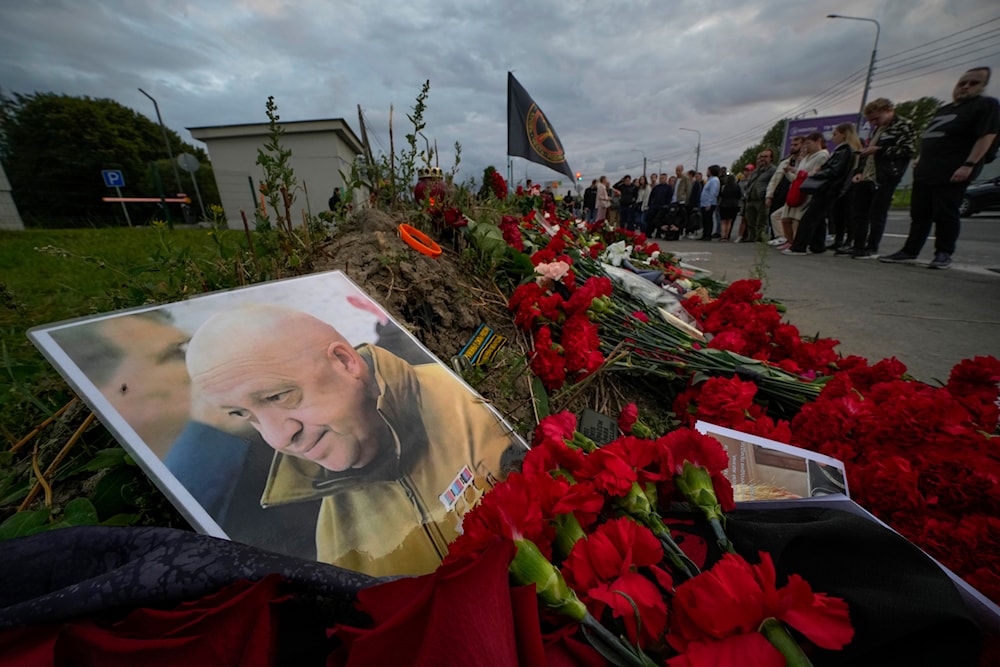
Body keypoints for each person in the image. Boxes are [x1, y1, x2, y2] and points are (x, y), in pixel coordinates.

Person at [186, 304, 525, 577]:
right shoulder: (332, 544)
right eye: (241, 414)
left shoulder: (465, 401)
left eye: (279, 396)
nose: (277, 438)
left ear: (346, 363)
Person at [881, 67, 1000, 270]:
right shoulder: (945, 109)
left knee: (946, 213)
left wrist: (969, 164)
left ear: (983, 86)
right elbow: (931, 136)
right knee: (919, 214)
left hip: (953, 170)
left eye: (973, 83)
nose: (966, 87)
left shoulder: (986, 105)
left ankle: (943, 253)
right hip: (927, 170)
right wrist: (920, 158)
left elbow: (986, 136)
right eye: (962, 83)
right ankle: (910, 250)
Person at [840, 98, 917, 259]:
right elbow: (868, 154)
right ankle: (858, 246)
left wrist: (880, 150)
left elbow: (908, 150)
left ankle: (871, 247)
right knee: (860, 212)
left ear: (888, 110)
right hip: (868, 174)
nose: (874, 123)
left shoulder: (903, 125)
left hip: (886, 175)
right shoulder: (879, 129)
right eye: (871, 120)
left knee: (877, 213)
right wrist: (860, 170)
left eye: (876, 118)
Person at [784, 123, 861, 256]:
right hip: (829, 188)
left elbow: (834, 171)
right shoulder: (842, 150)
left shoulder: (844, 151)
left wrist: (817, 172)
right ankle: (817, 245)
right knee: (818, 217)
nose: (832, 137)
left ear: (844, 134)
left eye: (835, 134)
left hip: (829, 188)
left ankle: (799, 247)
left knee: (810, 217)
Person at [766, 136, 805, 247]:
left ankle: (793, 242)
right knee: (776, 216)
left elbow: (800, 178)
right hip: (782, 194)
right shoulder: (785, 162)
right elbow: (774, 180)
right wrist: (769, 195)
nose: (792, 147)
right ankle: (783, 238)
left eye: (796, 145)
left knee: (793, 220)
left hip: (798, 194)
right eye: (792, 145)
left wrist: (791, 171)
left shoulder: (804, 161)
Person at [742, 149, 777, 242]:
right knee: (750, 220)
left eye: (765, 157)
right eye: (761, 157)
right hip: (751, 198)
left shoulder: (772, 170)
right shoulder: (757, 170)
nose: (762, 159)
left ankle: (759, 238)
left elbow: (773, 183)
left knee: (761, 221)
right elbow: (749, 182)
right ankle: (751, 237)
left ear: (771, 158)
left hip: (761, 198)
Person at [698, 165, 721, 241]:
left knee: (708, 219)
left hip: (709, 203)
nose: (706, 172)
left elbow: (713, 193)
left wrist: (709, 203)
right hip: (704, 203)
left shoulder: (714, 180)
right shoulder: (709, 180)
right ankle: (704, 234)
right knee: (704, 220)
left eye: (708, 170)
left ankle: (708, 235)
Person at [718, 174, 743, 241]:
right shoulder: (737, 187)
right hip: (733, 205)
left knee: (723, 221)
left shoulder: (724, 187)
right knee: (729, 221)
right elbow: (739, 196)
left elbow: (720, 195)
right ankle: (727, 235)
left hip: (724, 205)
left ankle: (723, 236)